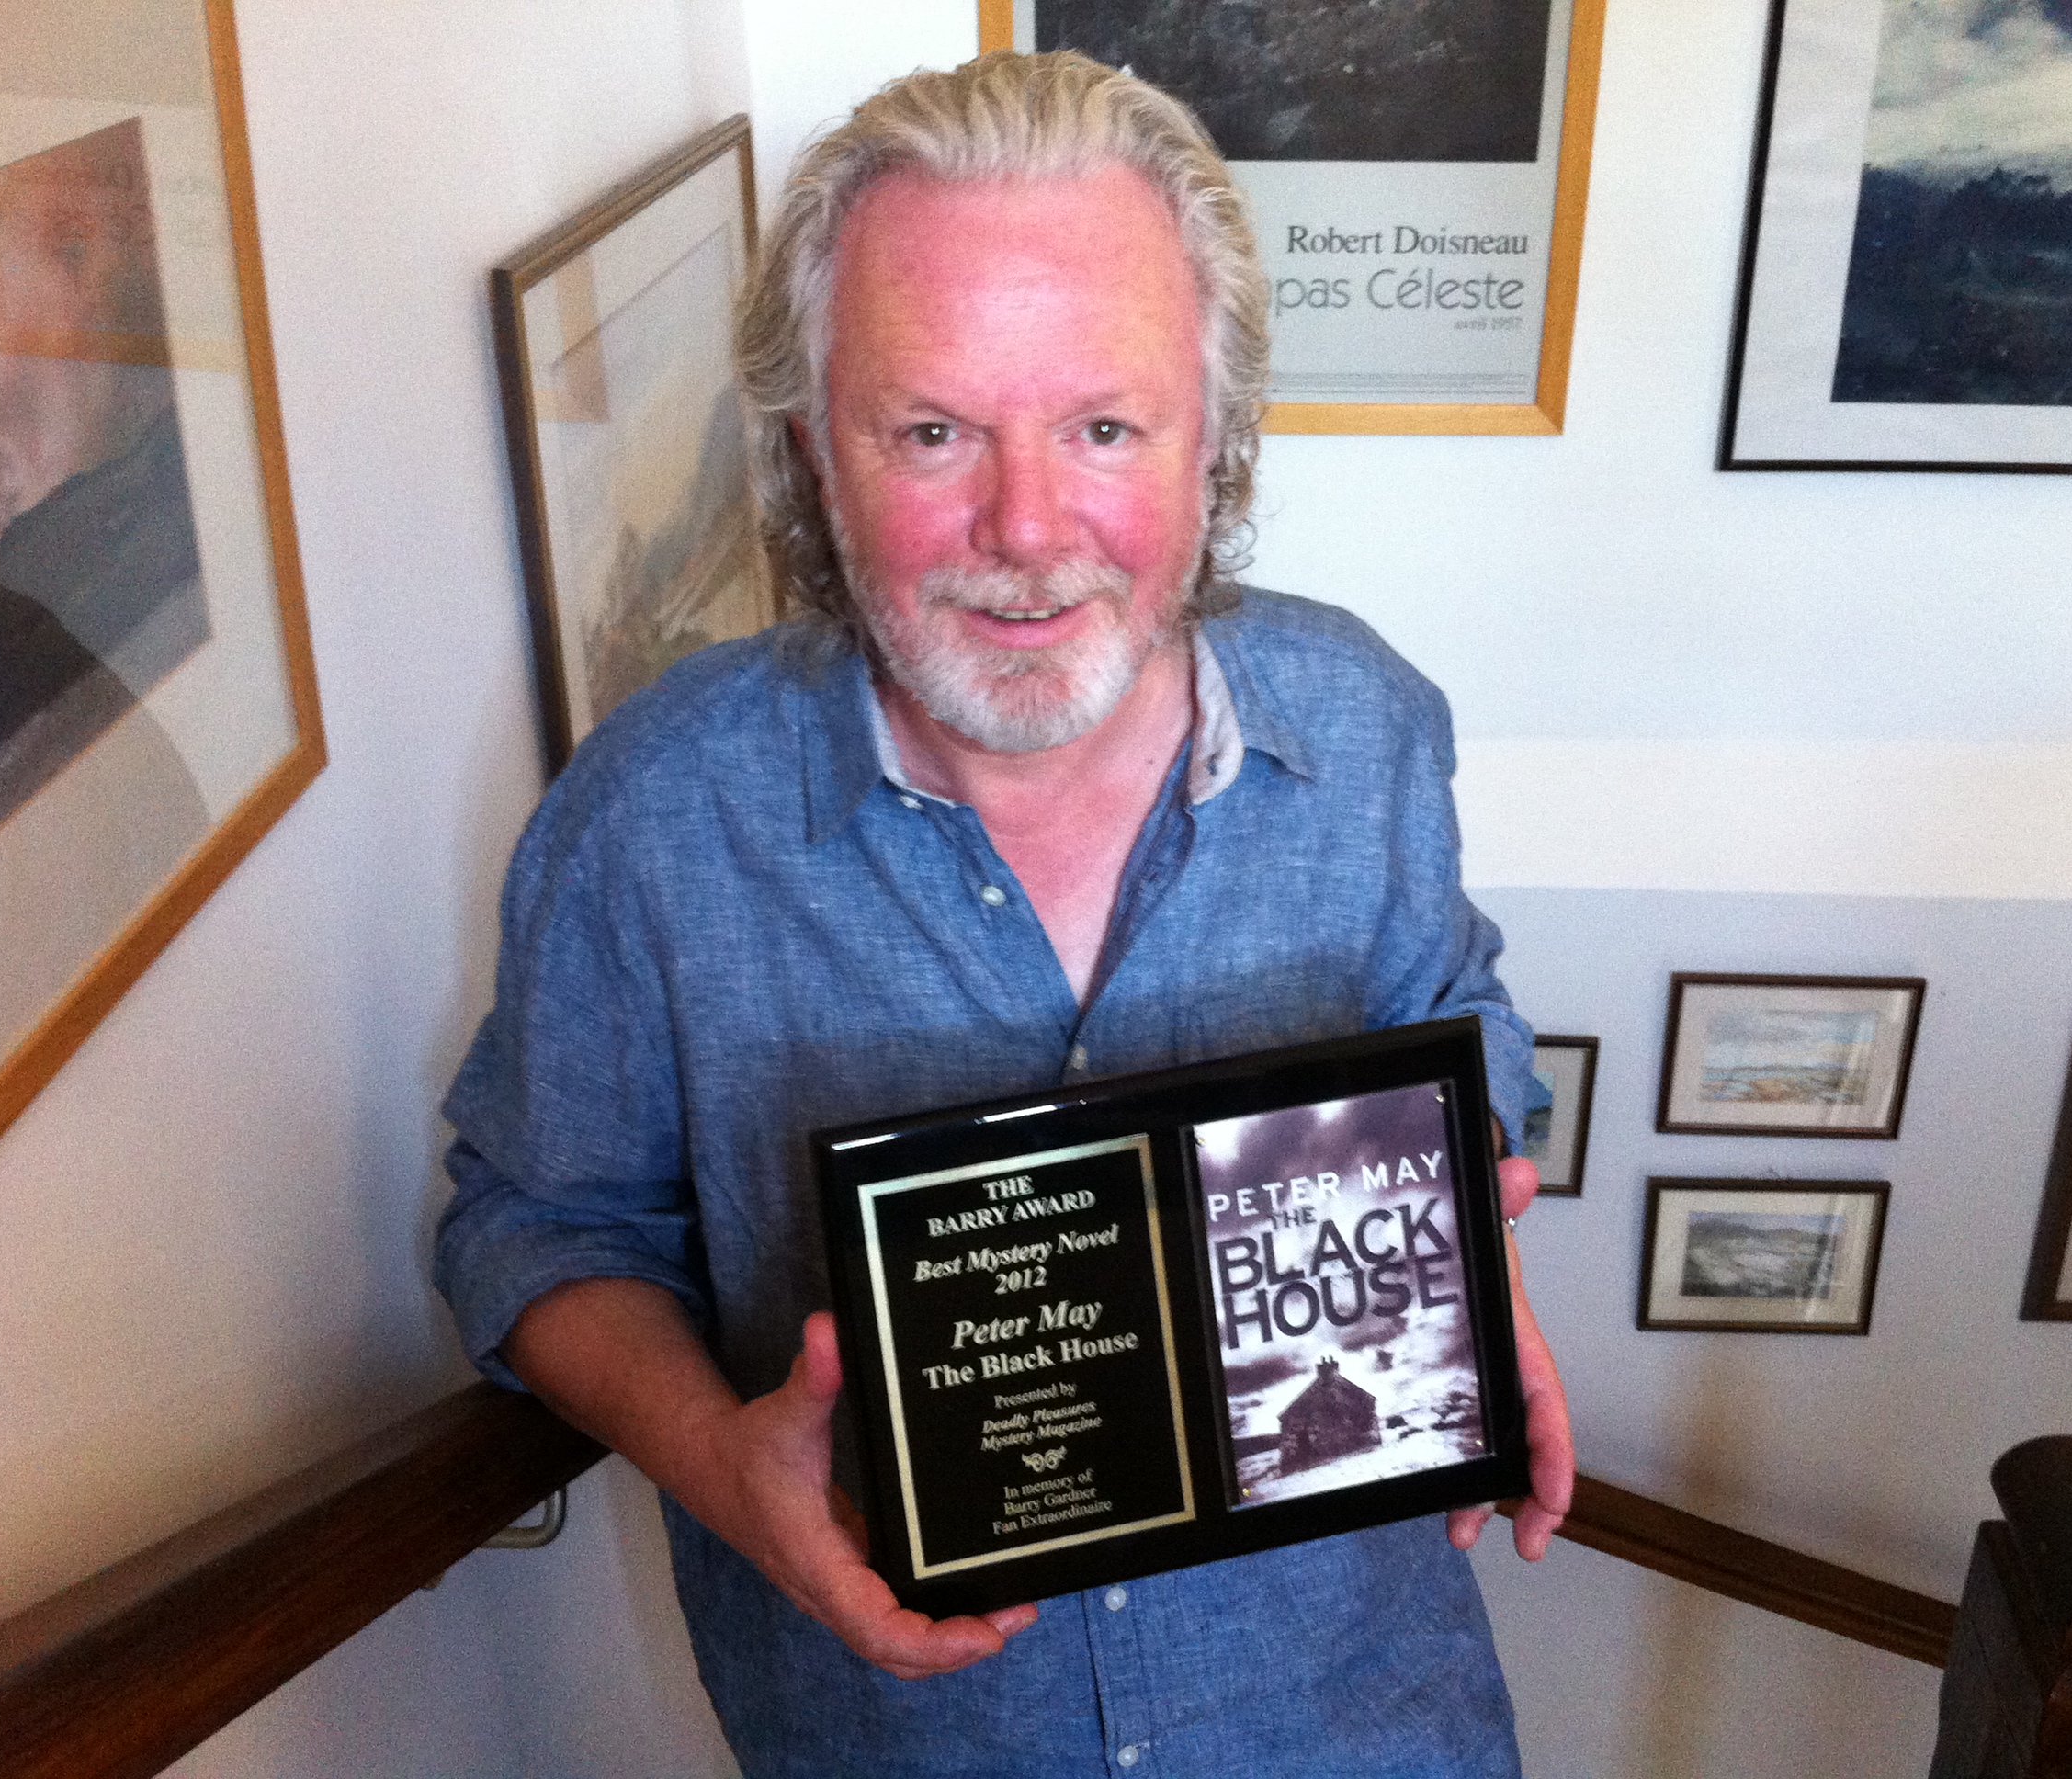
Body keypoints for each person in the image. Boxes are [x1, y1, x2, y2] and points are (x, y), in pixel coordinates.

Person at [436, 50, 1574, 1779]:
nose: (1026, 530)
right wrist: (721, 1463)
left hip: (1358, 1722)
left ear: (1216, 443)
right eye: (933, 431)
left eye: (1105, 428)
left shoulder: (1372, 732)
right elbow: (534, 1229)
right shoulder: (653, 819)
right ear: (817, 451)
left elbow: (1463, 1017)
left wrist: (1455, 1245)